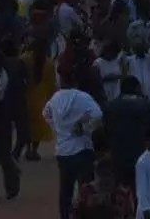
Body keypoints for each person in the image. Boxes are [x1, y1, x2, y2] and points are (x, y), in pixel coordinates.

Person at [46, 75, 101, 218]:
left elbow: (46, 114)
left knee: (65, 190)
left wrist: (57, 128)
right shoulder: (82, 97)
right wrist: (84, 126)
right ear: (76, 81)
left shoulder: (55, 98)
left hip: (63, 151)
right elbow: (98, 114)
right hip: (82, 149)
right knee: (86, 189)